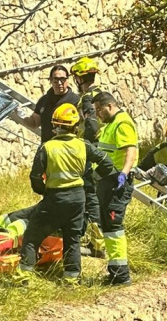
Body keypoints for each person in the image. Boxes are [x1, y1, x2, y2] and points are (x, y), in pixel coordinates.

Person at [15, 104, 115, 285]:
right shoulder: (83, 145)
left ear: (55, 126)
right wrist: (92, 178)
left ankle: (23, 278)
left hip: (55, 197)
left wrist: (43, 191)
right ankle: (71, 279)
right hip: (78, 198)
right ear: (76, 127)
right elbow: (107, 164)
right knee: (72, 239)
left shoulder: (47, 147)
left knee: (32, 236)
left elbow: (35, 177)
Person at [93, 91, 138, 286]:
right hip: (107, 181)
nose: (97, 114)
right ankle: (115, 272)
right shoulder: (110, 124)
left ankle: (121, 275)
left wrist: (124, 173)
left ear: (109, 106)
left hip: (117, 182)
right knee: (108, 226)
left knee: (114, 226)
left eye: (99, 110)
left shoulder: (122, 123)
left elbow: (130, 150)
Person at [70, 56, 104, 252]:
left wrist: (85, 147)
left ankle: (97, 244)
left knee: (90, 197)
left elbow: (91, 125)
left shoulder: (88, 98)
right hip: (103, 152)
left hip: (90, 154)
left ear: (80, 78)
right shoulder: (103, 95)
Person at [28, 65, 79, 144]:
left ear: (67, 80)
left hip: (68, 147)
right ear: (50, 80)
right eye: (56, 79)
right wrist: (19, 112)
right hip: (47, 147)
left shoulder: (76, 101)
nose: (59, 83)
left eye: (62, 79)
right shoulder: (44, 100)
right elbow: (34, 123)